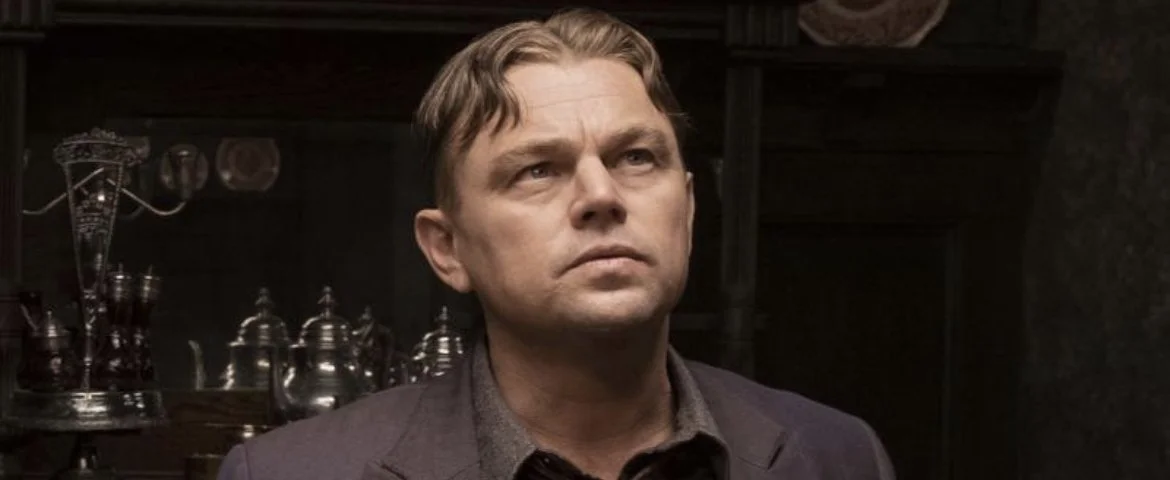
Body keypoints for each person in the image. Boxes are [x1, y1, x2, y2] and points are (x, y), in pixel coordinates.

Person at [217, 7, 894, 480]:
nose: (602, 194)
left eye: (636, 157)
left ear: (687, 210)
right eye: (538, 170)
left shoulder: (837, 457)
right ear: (447, 248)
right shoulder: (291, 473)